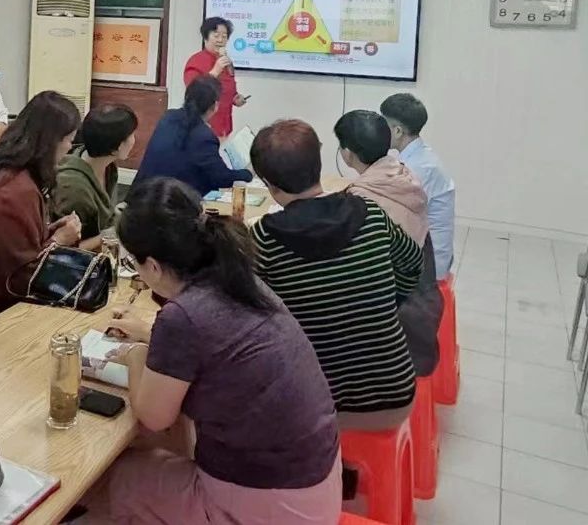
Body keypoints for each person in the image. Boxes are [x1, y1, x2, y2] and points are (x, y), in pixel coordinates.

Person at [88, 178, 341, 524]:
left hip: (272, 503)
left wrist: (135, 355)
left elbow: (154, 417)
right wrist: (151, 334)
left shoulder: (183, 316)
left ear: (153, 267)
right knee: (165, 450)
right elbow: (219, 342)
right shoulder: (239, 280)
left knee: (109, 481)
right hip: (315, 483)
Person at [249, 120, 421, 430]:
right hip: (397, 394)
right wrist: (379, 305)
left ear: (269, 185)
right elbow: (412, 264)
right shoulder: (370, 213)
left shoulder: (264, 238)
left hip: (315, 403)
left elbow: (243, 313)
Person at [0, 91, 87, 322]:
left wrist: (52, 231)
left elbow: (17, 245)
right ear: (49, 142)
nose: (70, 147)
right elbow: (22, 274)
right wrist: (60, 240)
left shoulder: (15, 173)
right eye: (68, 139)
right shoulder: (14, 188)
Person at [336, 109, 442, 376]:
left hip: (394, 320)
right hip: (422, 297)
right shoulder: (404, 174)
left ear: (347, 153)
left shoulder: (362, 201)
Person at [136, 76, 252, 196]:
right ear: (215, 106)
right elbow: (221, 178)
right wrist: (248, 173)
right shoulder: (203, 136)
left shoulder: (168, 117)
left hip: (143, 194)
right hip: (170, 201)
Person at [381, 93, 456, 277]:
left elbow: (394, 217)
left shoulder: (419, 168)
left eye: (383, 125)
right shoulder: (420, 156)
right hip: (426, 250)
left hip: (429, 264)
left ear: (397, 131)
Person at [54, 105, 137, 239]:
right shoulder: (74, 188)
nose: (134, 140)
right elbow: (68, 245)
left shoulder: (108, 168)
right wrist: (112, 233)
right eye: (131, 135)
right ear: (117, 147)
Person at [183, 17, 246, 140]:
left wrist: (235, 98)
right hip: (204, 127)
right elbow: (193, 90)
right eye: (216, 36)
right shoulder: (196, 60)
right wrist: (215, 71)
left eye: (224, 36)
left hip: (224, 125)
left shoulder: (226, 62)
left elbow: (228, 87)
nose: (220, 40)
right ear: (206, 37)